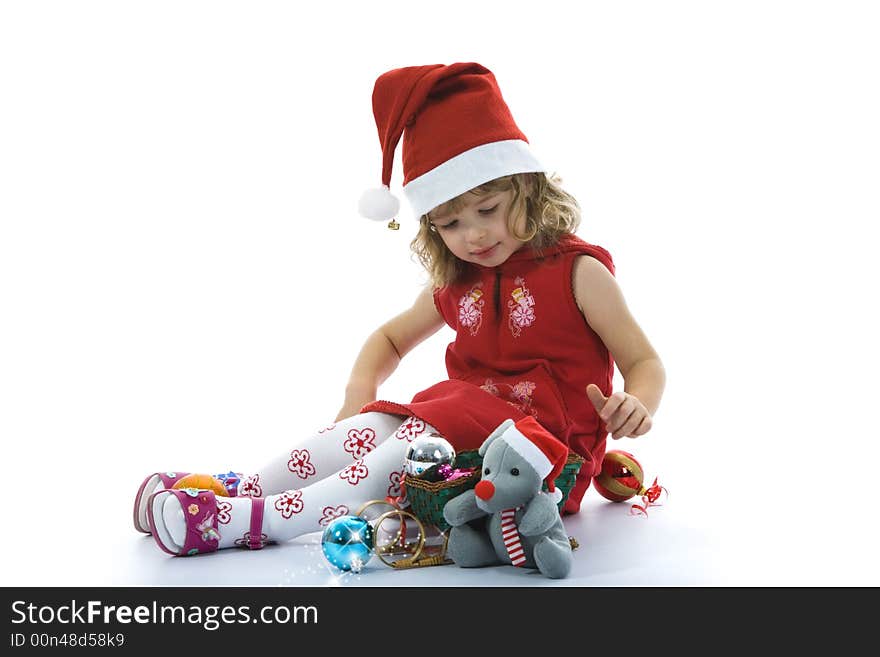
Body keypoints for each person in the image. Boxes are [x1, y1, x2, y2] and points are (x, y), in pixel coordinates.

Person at [134, 62, 665, 557]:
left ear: (527, 188)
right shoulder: (460, 279)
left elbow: (644, 362)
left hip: (539, 457)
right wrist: (357, 397)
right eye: (449, 224)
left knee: (411, 447)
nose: (473, 235)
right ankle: (236, 490)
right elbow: (389, 340)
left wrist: (637, 402)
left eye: (487, 210)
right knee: (381, 427)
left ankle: (250, 521)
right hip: (460, 420)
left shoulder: (579, 272)